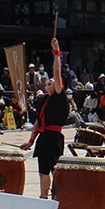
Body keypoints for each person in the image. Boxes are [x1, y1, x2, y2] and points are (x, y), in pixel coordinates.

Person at [20, 38, 67, 199]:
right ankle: (43, 197)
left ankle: (59, 197)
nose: (49, 82)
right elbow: (38, 122)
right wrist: (31, 141)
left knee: (55, 170)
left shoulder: (59, 97)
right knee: (43, 171)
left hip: (54, 138)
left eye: (52, 81)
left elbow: (57, 73)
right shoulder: (43, 100)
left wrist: (56, 53)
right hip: (43, 137)